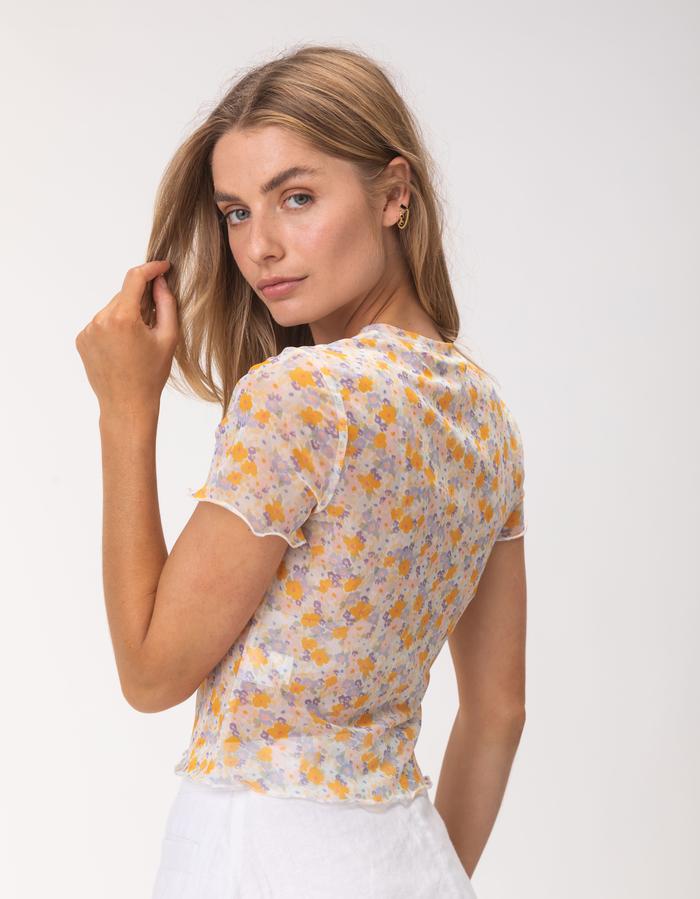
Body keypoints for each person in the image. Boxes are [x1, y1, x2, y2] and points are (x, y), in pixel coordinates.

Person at [76, 43, 527, 898]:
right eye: (236, 212)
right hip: (407, 856)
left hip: (260, 853)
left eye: (297, 197)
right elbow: (499, 712)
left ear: (394, 193)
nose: (261, 247)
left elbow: (151, 672)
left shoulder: (300, 396)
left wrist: (126, 409)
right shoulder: (485, 416)